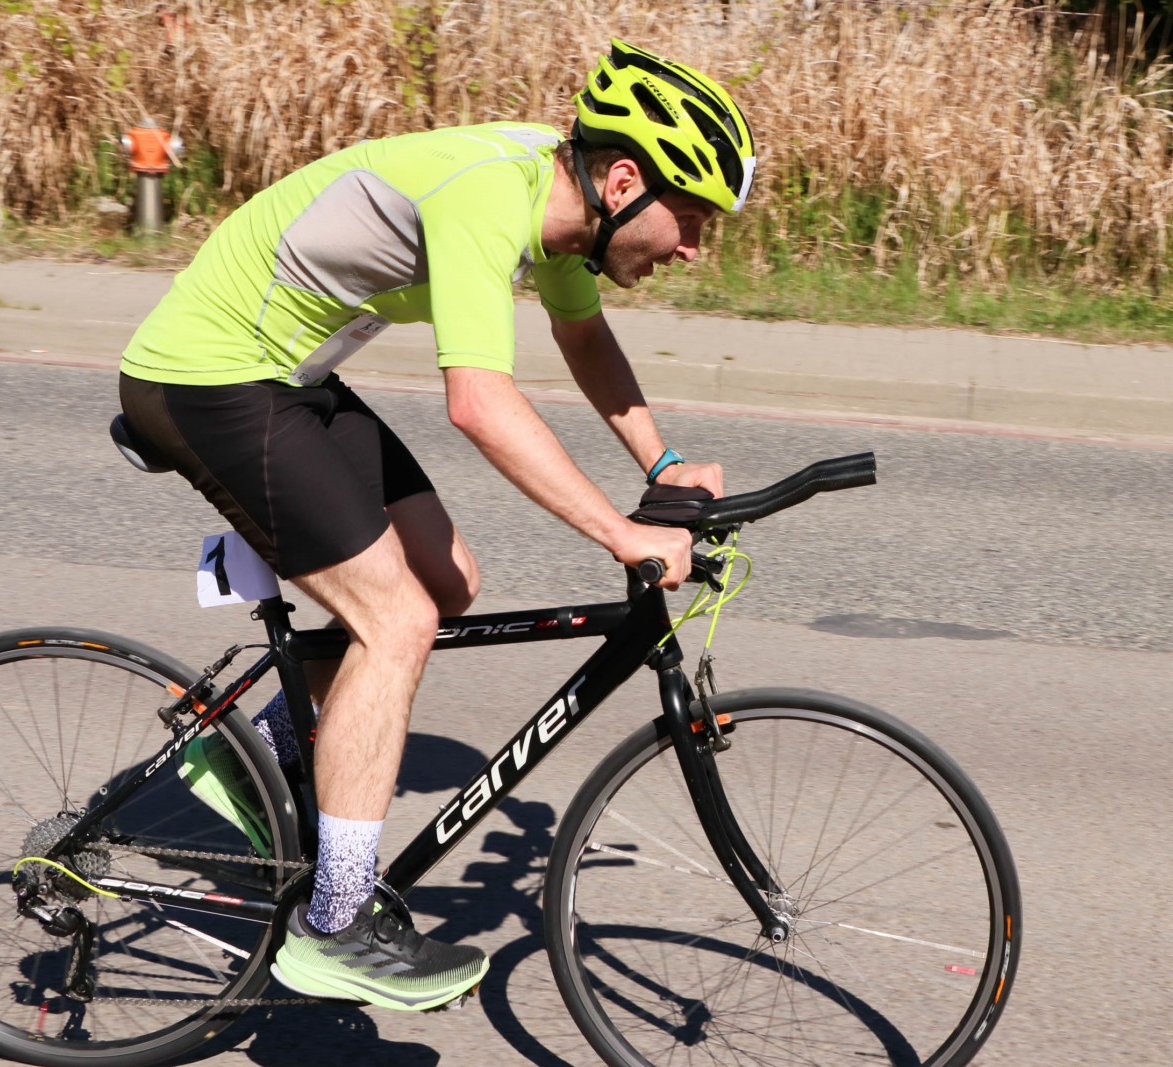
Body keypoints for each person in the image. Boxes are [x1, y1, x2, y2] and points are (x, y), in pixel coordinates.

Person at [116, 38, 755, 1011]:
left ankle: (248, 756)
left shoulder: (564, 211)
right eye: (693, 219)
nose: (693, 248)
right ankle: (335, 922)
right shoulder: (490, 194)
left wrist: (662, 466)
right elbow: (480, 404)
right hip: (207, 376)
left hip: (288, 375)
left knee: (448, 580)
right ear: (625, 182)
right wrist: (621, 534)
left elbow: (582, 334)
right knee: (397, 621)